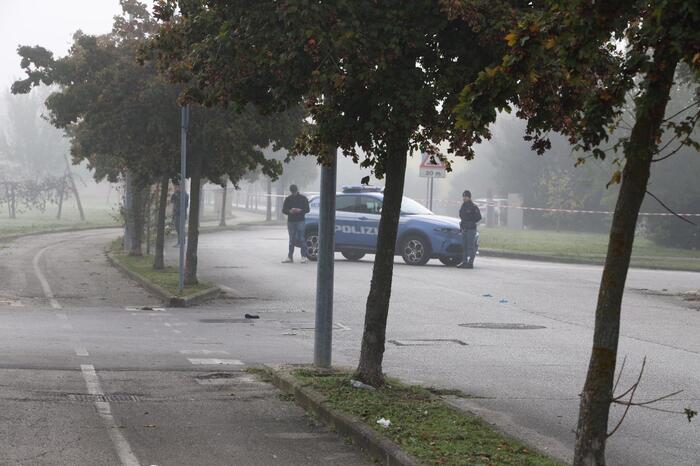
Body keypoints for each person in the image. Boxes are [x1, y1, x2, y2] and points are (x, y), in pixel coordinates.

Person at [281, 184, 310, 263]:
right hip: (291, 221)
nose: (293, 193)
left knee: (301, 239)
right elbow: (283, 210)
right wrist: (290, 211)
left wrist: (299, 210)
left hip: (300, 220)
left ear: (297, 190)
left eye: (294, 192)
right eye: (292, 192)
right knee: (292, 239)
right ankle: (290, 257)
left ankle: (303, 256)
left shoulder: (303, 198)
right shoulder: (288, 199)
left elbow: (307, 209)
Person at [458, 190, 481, 269]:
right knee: (464, 246)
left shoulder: (473, 207)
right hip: (464, 228)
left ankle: (470, 263)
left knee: (470, 246)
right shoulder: (463, 206)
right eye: (463, 196)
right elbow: (461, 215)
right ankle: (464, 262)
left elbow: (478, 217)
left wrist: (471, 222)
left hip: (471, 229)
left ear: (469, 197)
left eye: (465, 197)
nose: (464, 198)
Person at [171, 181, 189, 247]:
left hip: (181, 215)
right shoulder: (176, 194)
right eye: (175, 187)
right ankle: (180, 242)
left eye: (176, 186)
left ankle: (182, 243)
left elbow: (184, 205)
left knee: (181, 229)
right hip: (176, 214)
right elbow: (172, 201)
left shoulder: (185, 195)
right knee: (178, 229)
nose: (175, 188)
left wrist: (177, 195)